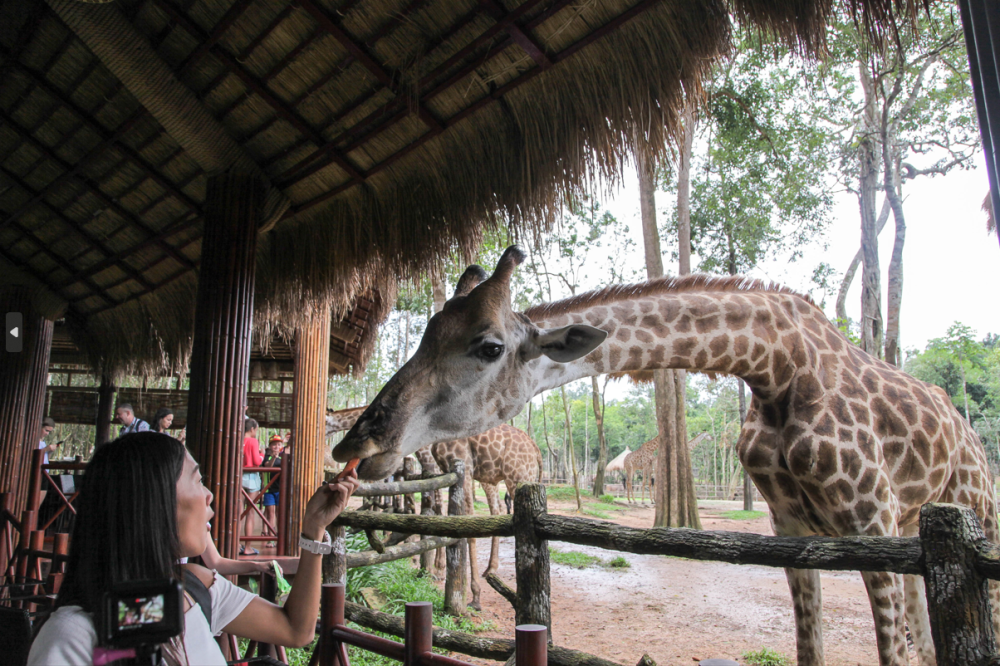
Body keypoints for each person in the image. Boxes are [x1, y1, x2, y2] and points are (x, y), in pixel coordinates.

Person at [27, 432, 359, 666]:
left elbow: (295, 630)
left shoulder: (195, 587)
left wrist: (314, 529)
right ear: (151, 502)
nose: (209, 495)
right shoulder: (73, 635)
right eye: (198, 480)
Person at [241, 418, 263, 555]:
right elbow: (256, 461)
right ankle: (248, 547)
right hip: (252, 478)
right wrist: (262, 455)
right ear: (252, 429)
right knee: (250, 513)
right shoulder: (253, 441)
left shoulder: (238, 440)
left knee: (238, 513)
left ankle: (235, 544)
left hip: (239, 477)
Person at [260, 435, 284, 548]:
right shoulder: (267, 457)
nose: (276, 446)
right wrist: (274, 457)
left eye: (279, 444)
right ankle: (271, 538)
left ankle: (280, 537)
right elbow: (267, 466)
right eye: (274, 444)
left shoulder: (284, 457)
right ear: (270, 446)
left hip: (280, 490)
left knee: (280, 514)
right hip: (269, 490)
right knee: (270, 514)